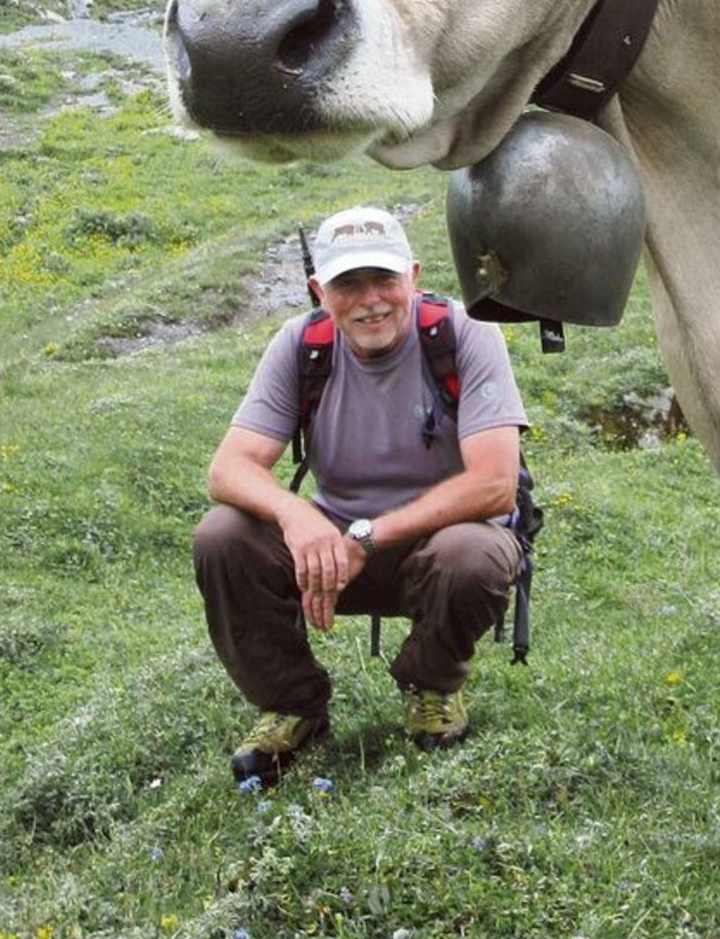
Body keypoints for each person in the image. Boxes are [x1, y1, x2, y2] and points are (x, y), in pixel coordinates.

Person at [192, 204, 528, 784]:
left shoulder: (465, 334)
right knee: (221, 535)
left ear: (414, 278)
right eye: (349, 283)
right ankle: (293, 705)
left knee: (474, 556)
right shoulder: (302, 344)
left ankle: (431, 684)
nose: (371, 299)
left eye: (384, 279)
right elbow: (228, 469)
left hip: (433, 551)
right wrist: (296, 515)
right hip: (331, 554)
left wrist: (369, 537)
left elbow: (496, 484)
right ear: (319, 290)